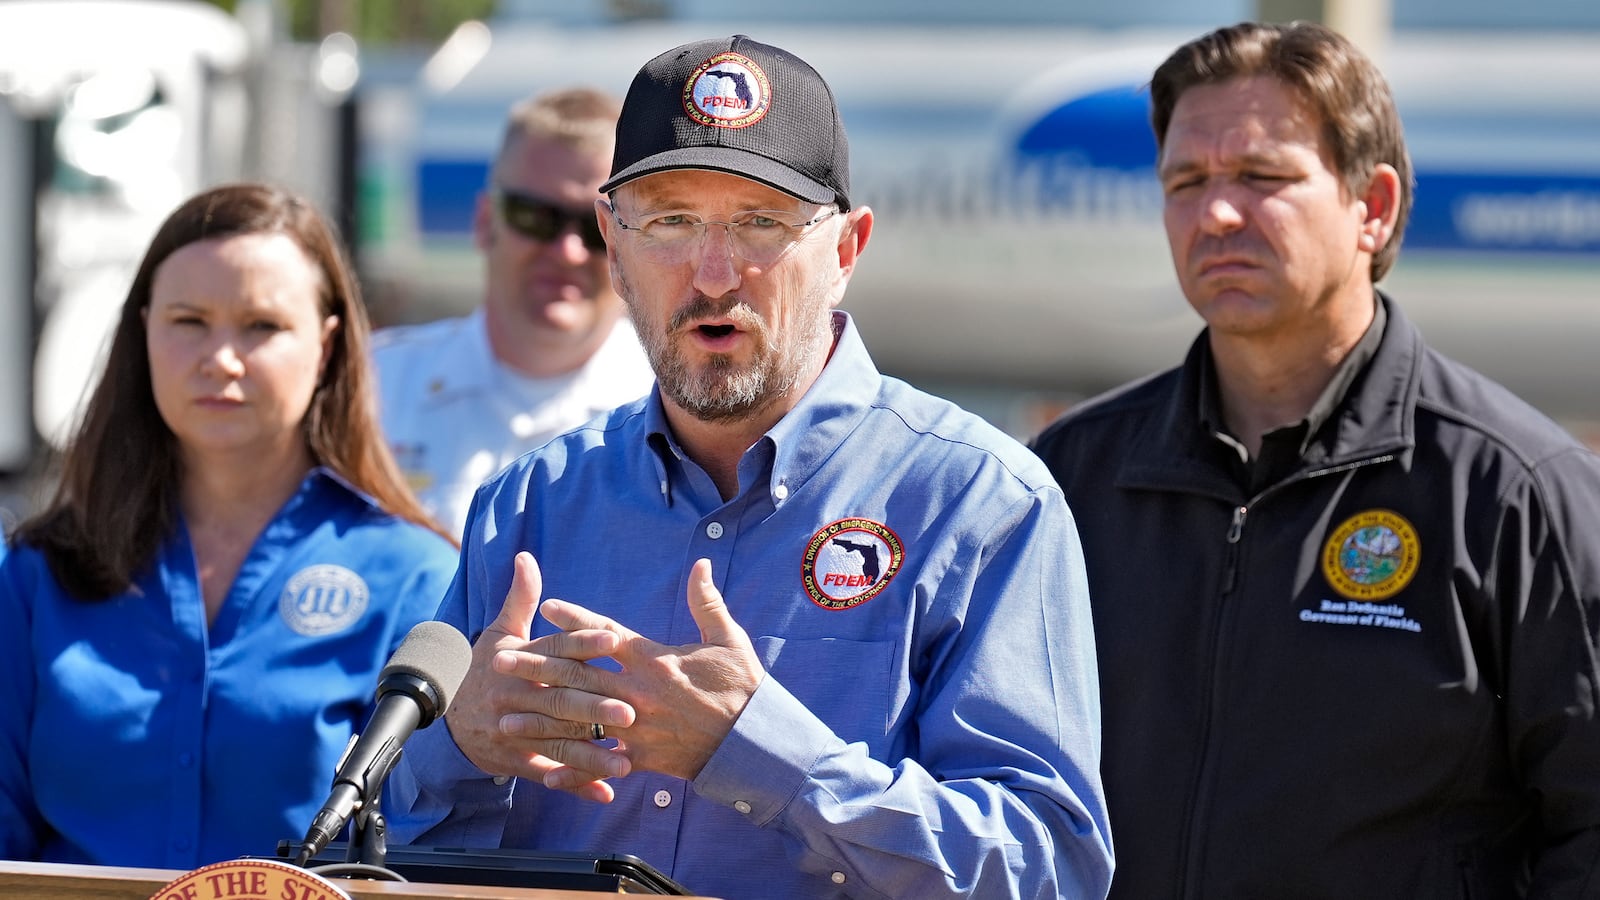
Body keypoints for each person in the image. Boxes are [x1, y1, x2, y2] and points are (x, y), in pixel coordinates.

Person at [385, 34, 1114, 899]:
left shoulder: (982, 503)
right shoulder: (532, 503)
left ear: (845, 252)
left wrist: (766, 754)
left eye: (762, 222)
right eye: (672, 222)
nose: (714, 271)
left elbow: (1049, 869)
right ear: (615, 251)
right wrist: (455, 748)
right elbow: (399, 850)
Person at [1029, 21, 1600, 898]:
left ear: (1372, 206)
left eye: (1262, 177)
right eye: (1187, 181)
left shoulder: (1517, 491)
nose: (1216, 212)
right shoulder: (1072, 477)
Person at [0, 183, 461, 870]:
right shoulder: (37, 574)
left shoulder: (415, 576)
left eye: (261, 326)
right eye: (189, 321)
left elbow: (427, 848)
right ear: (144, 330)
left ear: (327, 346)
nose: (221, 358)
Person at [373, 86, 654, 537]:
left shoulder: (677, 407)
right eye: (536, 217)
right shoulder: (372, 386)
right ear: (485, 221)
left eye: (594, 227)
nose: (567, 251)